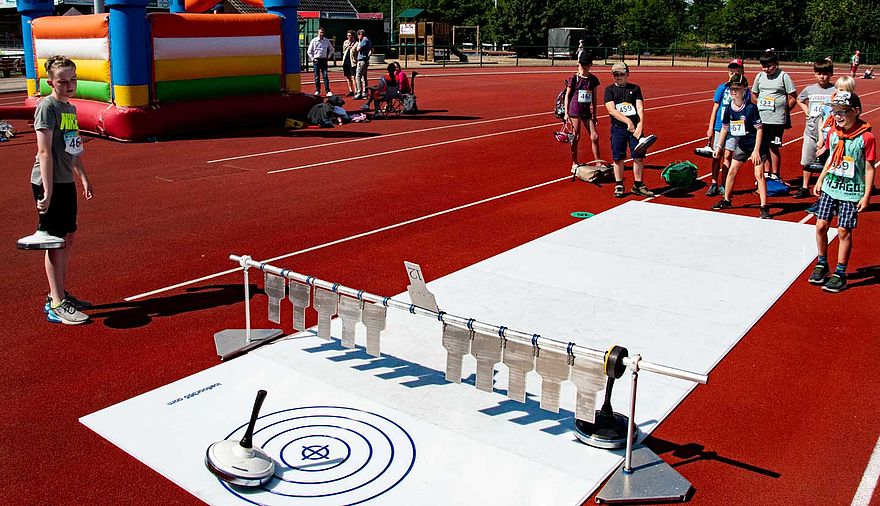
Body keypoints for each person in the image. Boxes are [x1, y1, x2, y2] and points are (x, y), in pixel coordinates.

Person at [29, 56, 94, 324]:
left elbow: (73, 149)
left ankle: (58, 293)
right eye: (62, 81)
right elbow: (44, 152)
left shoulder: (70, 109)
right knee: (54, 241)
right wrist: (47, 190)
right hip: (49, 181)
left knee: (68, 237)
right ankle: (57, 303)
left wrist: (84, 177)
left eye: (72, 80)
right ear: (50, 83)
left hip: (65, 180)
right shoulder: (47, 107)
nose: (68, 85)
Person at [809, 91, 875, 293]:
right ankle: (822, 263)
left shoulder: (867, 138)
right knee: (821, 225)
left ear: (856, 111)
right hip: (831, 186)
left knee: (844, 230)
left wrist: (866, 195)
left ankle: (840, 273)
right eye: (835, 111)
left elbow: (869, 167)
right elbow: (830, 159)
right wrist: (820, 179)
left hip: (851, 191)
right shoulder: (833, 134)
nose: (838, 116)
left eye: (843, 111)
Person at [711, 74, 772, 219]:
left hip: (757, 144)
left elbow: (759, 129)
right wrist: (719, 146)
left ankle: (764, 206)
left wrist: (756, 151)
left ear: (744, 89)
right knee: (732, 170)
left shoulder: (751, 109)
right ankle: (727, 199)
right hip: (743, 144)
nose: (733, 92)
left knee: (759, 174)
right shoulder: (728, 109)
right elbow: (725, 128)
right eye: (731, 89)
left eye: (736, 89)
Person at [603, 62, 653, 198]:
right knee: (618, 157)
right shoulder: (609, 90)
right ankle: (619, 184)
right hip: (618, 128)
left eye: (621, 74)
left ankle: (638, 184)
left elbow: (640, 108)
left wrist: (639, 126)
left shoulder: (635, 89)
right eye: (615, 74)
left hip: (635, 129)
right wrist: (628, 122)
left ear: (627, 74)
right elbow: (611, 110)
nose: (618, 77)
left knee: (638, 157)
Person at [704, 59, 751, 196]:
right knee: (716, 154)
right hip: (720, 125)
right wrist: (711, 127)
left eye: (736, 70)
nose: (733, 72)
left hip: (735, 127)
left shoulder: (745, 90)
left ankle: (724, 184)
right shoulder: (722, 88)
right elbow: (715, 108)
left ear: (742, 71)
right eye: (731, 70)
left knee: (728, 155)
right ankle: (713, 183)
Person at [751, 50, 796, 181]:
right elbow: (754, 95)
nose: (766, 69)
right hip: (762, 118)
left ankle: (775, 175)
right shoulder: (759, 76)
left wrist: (783, 109)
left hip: (776, 120)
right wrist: (759, 104)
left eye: (769, 66)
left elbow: (792, 97)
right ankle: (766, 173)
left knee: (774, 146)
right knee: (762, 146)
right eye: (763, 66)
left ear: (776, 64)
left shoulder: (784, 76)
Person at [793, 58, 836, 199]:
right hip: (810, 130)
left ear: (830, 74)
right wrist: (805, 109)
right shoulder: (809, 89)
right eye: (819, 73)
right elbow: (799, 99)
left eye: (825, 74)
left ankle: (825, 188)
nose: (822, 77)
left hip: (829, 132)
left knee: (828, 161)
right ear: (815, 74)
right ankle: (805, 187)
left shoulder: (835, 90)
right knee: (807, 160)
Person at [563, 52, 603, 173]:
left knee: (594, 136)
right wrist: (566, 113)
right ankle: (574, 163)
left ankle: (598, 162)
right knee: (576, 136)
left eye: (586, 64)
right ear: (578, 64)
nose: (584, 66)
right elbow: (567, 95)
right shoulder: (574, 78)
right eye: (582, 64)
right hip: (574, 110)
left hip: (586, 111)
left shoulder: (593, 80)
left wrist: (595, 114)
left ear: (591, 65)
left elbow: (594, 98)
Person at [307, 27, 333, 97]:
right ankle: (317, 90)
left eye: (322, 32)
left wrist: (328, 57)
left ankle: (328, 91)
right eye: (320, 32)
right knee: (317, 76)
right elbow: (309, 51)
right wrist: (313, 59)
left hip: (324, 60)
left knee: (325, 76)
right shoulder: (314, 41)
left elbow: (331, 49)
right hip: (316, 60)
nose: (322, 34)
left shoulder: (326, 41)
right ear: (318, 33)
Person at [354, 30, 372, 99]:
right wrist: (368, 55)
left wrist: (359, 41)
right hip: (365, 60)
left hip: (362, 60)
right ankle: (365, 92)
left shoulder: (364, 40)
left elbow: (358, 49)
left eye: (358, 35)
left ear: (360, 35)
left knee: (358, 76)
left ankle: (359, 92)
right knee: (364, 77)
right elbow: (372, 50)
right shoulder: (368, 40)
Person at [341, 30, 358, 96]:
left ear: (353, 36)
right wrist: (347, 47)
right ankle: (351, 90)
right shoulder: (345, 42)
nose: (349, 37)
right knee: (348, 76)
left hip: (352, 61)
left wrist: (352, 48)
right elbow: (343, 51)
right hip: (346, 61)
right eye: (348, 35)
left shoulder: (356, 43)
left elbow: (356, 51)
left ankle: (356, 90)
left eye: (350, 36)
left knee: (353, 76)